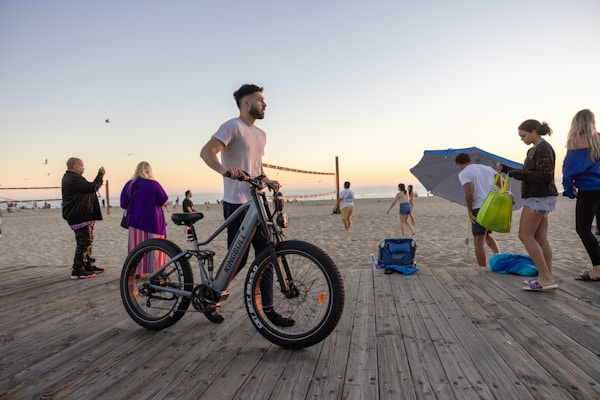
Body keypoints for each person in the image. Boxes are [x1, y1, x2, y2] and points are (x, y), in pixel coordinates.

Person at [200, 83, 295, 327]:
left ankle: (269, 310)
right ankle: (211, 297)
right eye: (260, 99)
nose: (265, 103)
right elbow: (206, 152)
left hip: (257, 204)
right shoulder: (233, 126)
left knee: (267, 254)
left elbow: (256, 169)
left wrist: (268, 180)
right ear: (246, 103)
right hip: (237, 204)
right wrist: (224, 170)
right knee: (238, 260)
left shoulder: (261, 135)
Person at [498, 119, 558, 291]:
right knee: (540, 238)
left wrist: (514, 173)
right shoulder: (535, 149)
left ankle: (545, 277)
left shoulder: (543, 148)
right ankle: (546, 275)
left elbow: (544, 175)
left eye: (523, 135)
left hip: (539, 197)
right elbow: (529, 172)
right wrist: (509, 169)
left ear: (533, 131)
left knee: (524, 235)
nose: (522, 139)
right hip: (542, 196)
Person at [562, 109, 600, 282]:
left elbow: (568, 170)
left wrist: (569, 190)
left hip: (589, 190)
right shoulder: (598, 139)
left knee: (583, 228)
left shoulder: (574, 142)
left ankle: (598, 269)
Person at [120, 161, 169, 276]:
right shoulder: (154, 184)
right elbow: (164, 201)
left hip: (135, 221)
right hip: (153, 221)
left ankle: (137, 271)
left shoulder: (129, 185)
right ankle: (156, 271)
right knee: (155, 248)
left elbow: (123, 204)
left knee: (136, 247)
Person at [61, 157, 105, 280]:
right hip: (79, 214)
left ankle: (87, 265)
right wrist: (100, 175)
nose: (83, 168)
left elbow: (88, 188)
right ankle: (77, 269)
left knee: (87, 240)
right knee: (84, 242)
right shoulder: (72, 178)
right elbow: (92, 187)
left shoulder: (72, 178)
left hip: (82, 213)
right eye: (82, 166)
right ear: (75, 166)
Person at [455, 153, 501, 267]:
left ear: (459, 164)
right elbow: (503, 184)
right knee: (487, 235)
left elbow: (469, 192)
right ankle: (500, 258)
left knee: (478, 241)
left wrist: (470, 211)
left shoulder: (464, 173)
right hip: (492, 206)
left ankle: (482, 268)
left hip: (479, 207)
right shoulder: (488, 169)